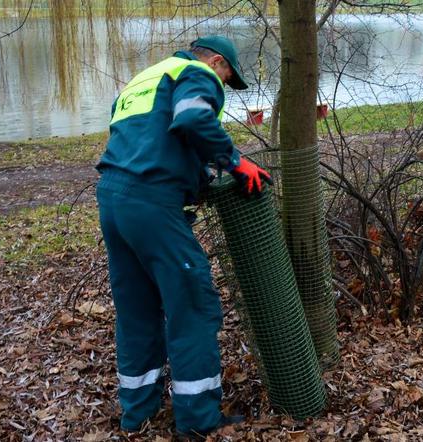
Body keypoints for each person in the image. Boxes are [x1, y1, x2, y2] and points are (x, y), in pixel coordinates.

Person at [94, 35, 272, 436]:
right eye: (227, 75)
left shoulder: (142, 80)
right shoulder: (195, 72)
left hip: (112, 199)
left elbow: (146, 140)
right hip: (153, 202)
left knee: (137, 308)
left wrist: (195, 174)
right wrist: (233, 162)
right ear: (216, 60)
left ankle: (137, 413)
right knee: (193, 304)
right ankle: (198, 420)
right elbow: (193, 119)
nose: (223, 85)